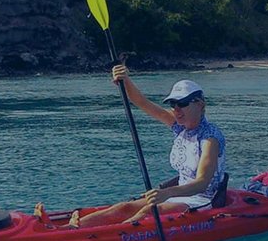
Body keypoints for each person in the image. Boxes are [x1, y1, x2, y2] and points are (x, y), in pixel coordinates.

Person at [70, 65, 227, 228]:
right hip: (176, 195)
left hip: (202, 199)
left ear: (200, 104)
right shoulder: (179, 127)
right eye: (173, 104)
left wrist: (167, 193)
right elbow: (142, 102)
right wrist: (125, 80)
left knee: (149, 211)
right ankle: (67, 229)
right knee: (125, 207)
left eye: (182, 103)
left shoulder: (210, 137)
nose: (176, 109)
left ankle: (102, 236)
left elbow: (202, 183)